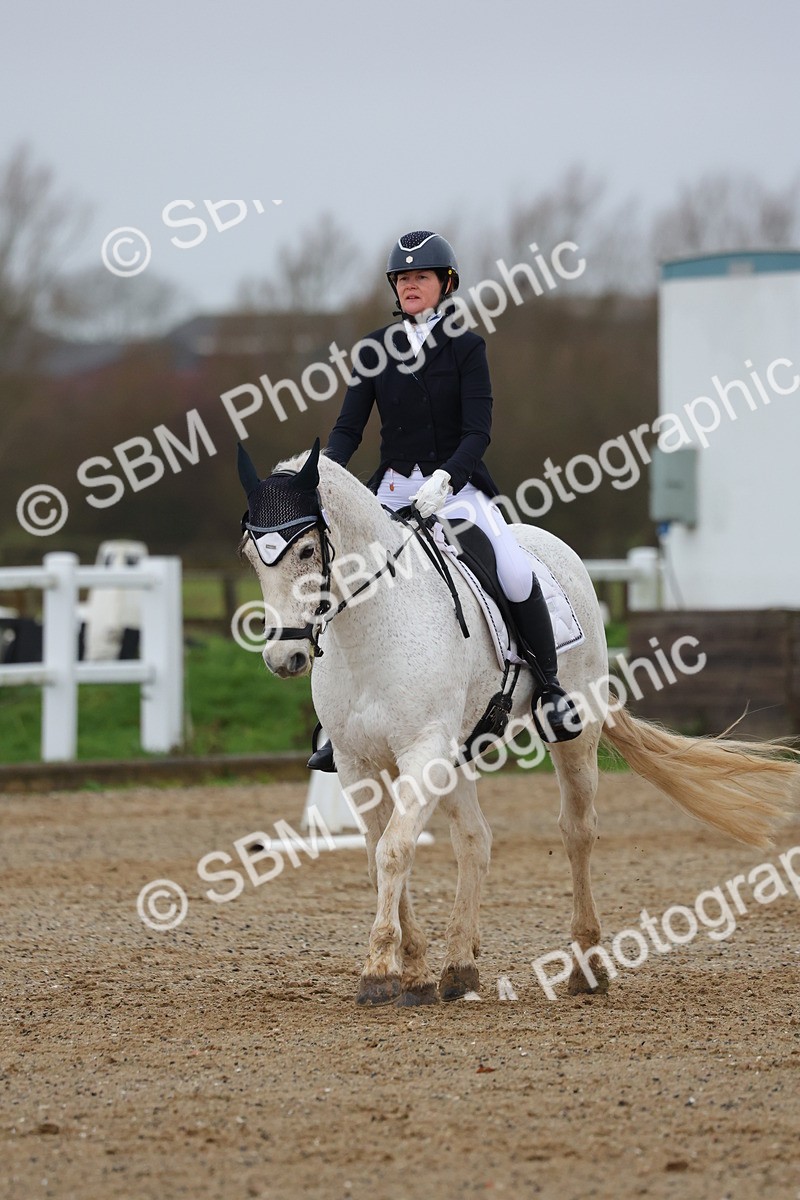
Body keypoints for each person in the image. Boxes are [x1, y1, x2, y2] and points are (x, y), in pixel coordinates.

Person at [309, 230, 581, 771]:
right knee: (341, 576)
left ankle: (549, 689)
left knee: (512, 568)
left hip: (457, 488)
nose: (411, 286)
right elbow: (348, 428)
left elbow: (478, 432)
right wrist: (325, 476)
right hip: (388, 488)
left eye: (421, 278)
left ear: (444, 284)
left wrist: (446, 480)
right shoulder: (373, 350)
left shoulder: (467, 347)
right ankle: (333, 721)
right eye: (403, 278)